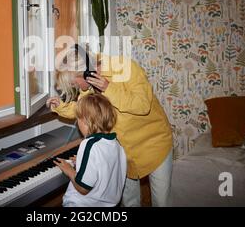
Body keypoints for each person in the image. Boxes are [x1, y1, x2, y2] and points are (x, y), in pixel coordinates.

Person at [47, 45, 173, 207]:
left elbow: (143, 106)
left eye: (74, 83)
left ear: (84, 72)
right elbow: (83, 111)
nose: (76, 88)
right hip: (122, 155)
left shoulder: (127, 69)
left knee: (162, 203)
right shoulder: (90, 85)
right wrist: (61, 107)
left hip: (154, 146)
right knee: (129, 203)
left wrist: (108, 88)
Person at [53, 93, 127, 207]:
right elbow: (104, 165)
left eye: (78, 119)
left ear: (85, 120)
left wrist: (69, 170)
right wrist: (82, 161)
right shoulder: (115, 143)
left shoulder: (89, 145)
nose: (78, 123)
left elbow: (83, 188)